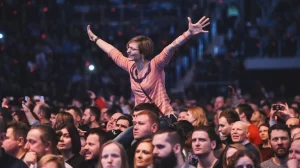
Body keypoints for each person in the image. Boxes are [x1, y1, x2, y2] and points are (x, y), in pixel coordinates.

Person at [87, 16, 210, 115]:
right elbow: (112, 51)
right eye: (128, 48)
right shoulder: (130, 66)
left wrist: (188, 33)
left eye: (132, 49)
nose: (128, 51)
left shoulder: (155, 65)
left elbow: (171, 47)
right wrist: (95, 38)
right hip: (141, 118)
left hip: (161, 116)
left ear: (142, 53)